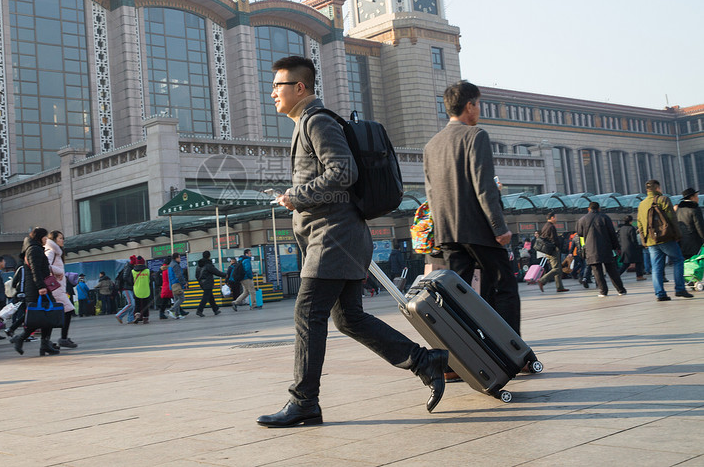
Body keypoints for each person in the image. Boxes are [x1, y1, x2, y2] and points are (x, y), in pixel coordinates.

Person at [257, 55, 447, 428]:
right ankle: (426, 362)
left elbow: (343, 171)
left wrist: (297, 195)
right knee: (348, 319)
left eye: (278, 86)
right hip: (336, 238)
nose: (272, 93)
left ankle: (303, 402)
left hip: (334, 238)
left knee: (308, 314)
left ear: (300, 88)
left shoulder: (316, 120)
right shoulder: (307, 123)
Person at [423, 80, 521, 335]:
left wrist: (441, 232)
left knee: (457, 296)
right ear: (469, 106)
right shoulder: (476, 135)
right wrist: (499, 227)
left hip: (448, 234)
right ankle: (514, 353)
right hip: (479, 231)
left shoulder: (431, 145)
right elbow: (484, 186)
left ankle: (456, 360)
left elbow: (431, 194)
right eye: (478, 104)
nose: (479, 110)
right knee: (504, 285)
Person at [637, 179, 692, 301]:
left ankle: (660, 294)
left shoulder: (642, 204)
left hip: (651, 240)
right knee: (678, 260)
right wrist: (677, 235)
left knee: (656, 267)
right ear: (657, 188)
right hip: (666, 238)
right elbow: (672, 219)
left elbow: (640, 225)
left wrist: (644, 241)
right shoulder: (663, 199)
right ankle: (680, 289)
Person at [9, 227, 61, 356]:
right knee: (43, 316)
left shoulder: (33, 248)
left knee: (44, 316)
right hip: (38, 289)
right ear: (39, 237)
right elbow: (35, 270)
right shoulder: (34, 249)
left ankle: (44, 344)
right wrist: (41, 287)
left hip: (37, 287)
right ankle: (22, 339)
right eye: (45, 237)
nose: (46, 240)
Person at [576, 202, 627, 297]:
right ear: (599, 209)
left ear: (588, 209)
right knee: (612, 270)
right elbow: (612, 233)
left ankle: (603, 291)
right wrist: (616, 246)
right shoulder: (605, 218)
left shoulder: (582, 220)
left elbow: (580, 233)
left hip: (591, 249)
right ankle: (621, 290)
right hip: (606, 247)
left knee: (597, 271)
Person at [46, 230, 78, 348]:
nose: (62, 240)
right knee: (67, 310)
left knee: (56, 313)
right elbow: (45, 265)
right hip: (55, 288)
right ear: (54, 239)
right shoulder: (51, 251)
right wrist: (60, 272)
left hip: (58, 287)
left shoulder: (56, 252)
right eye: (60, 238)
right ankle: (62, 338)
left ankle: (49, 340)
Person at [536, 213, 570, 293]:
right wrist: (558, 247)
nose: (556, 219)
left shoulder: (545, 226)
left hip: (548, 250)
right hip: (553, 250)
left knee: (557, 267)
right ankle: (542, 280)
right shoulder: (551, 227)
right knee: (557, 269)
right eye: (556, 217)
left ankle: (560, 287)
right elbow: (554, 239)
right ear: (552, 218)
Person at [676, 188, 704, 259]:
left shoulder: (679, 209)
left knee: (688, 264)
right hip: (695, 243)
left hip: (683, 242)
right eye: (696, 196)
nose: (698, 198)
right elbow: (700, 227)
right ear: (692, 197)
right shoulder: (694, 209)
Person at [195, 251, 225, 317]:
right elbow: (216, 272)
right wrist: (225, 275)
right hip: (207, 283)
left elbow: (196, 275)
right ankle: (199, 310)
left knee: (210, 296)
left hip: (202, 283)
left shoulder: (199, 266)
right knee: (205, 297)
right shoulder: (208, 265)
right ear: (209, 256)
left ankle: (215, 309)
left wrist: (200, 281)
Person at [616, 216, 646, 281]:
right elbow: (633, 240)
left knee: (626, 264)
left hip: (624, 248)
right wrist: (639, 246)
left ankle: (617, 275)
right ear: (630, 221)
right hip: (632, 249)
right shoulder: (631, 228)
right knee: (639, 261)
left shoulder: (621, 228)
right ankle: (639, 276)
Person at [115, 256, 137, 324]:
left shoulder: (129, 267)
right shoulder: (128, 268)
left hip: (128, 288)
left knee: (133, 303)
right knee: (131, 303)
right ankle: (119, 315)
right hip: (126, 288)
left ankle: (130, 319)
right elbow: (125, 277)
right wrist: (132, 282)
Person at [131, 256, 152, 323]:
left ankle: (137, 315)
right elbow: (151, 280)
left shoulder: (133, 271)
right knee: (145, 304)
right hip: (146, 290)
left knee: (137, 304)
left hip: (137, 289)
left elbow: (130, 280)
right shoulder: (147, 271)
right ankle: (145, 318)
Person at [166, 253, 187, 319]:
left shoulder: (170, 265)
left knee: (176, 300)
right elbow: (179, 275)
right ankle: (171, 310)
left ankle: (177, 314)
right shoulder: (175, 265)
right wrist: (184, 283)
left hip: (172, 284)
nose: (180, 259)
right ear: (176, 258)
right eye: (179, 257)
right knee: (182, 298)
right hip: (177, 284)